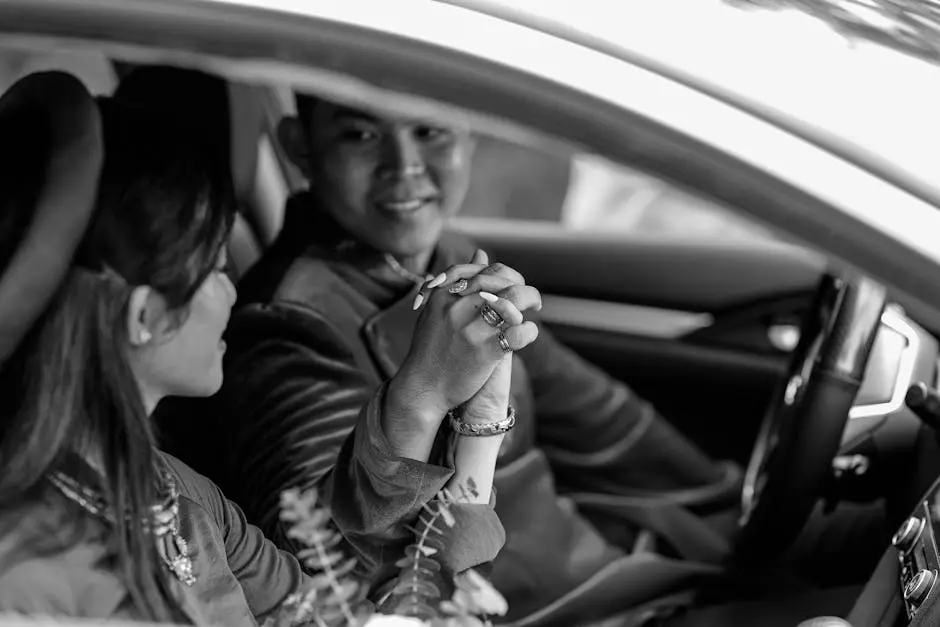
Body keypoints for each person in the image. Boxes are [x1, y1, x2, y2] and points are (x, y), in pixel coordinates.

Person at [150, 85, 767, 625]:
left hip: (609, 581)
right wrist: (421, 395)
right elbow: (327, 578)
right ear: (300, 146)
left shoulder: (453, 260)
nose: (405, 167)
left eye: (430, 130)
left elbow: (603, 420)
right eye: (362, 134)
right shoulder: (288, 322)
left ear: (470, 132)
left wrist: (735, 500)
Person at [0, 71, 529, 623]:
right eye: (213, 267)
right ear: (144, 316)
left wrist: (479, 426)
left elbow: (349, 617)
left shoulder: (180, 496)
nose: (234, 289)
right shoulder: (26, 582)